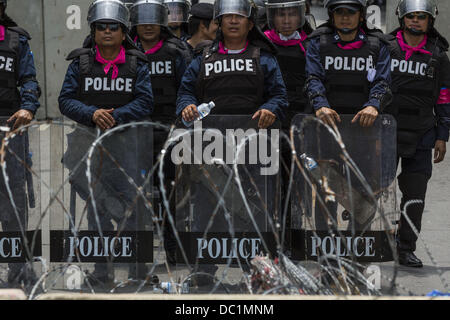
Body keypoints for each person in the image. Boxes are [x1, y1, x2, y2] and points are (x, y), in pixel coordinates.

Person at [58, 0, 153, 285]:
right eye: (102, 27)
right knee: (97, 211)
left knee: (133, 209)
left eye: (114, 27)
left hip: (127, 148)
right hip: (90, 148)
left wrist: (116, 116)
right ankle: (102, 272)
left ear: (124, 33)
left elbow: (146, 101)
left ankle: (137, 271)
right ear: (94, 31)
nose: (108, 31)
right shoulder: (81, 63)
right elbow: (65, 100)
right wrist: (92, 114)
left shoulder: (137, 63)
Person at [304, 0, 392, 232]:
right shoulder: (318, 42)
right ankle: (327, 254)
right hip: (326, 130)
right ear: (332, 16)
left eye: (350, 13)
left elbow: (383, 81)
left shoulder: (377, 44)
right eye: (339, 12)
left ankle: (355, 252)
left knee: (364, 192)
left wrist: (374, 105)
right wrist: (320, 105)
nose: (345, 18)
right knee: (327, 194)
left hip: (363, 130)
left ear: (361, 16)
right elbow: (313, 78)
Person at [384, 0, 450, 268]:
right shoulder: (384, 48)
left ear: (430, 21)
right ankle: (367, 244)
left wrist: (442, 135)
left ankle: (405, 247)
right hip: (385, 133)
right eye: (411, 16)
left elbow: (445, 97)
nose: (415, 21)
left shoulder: (439, 56)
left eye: (421, 17)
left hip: (423, 135)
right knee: (371, 193)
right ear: (401, 18)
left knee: (414, 196)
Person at [130, 0, 191, 266]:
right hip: (130, 130)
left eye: (153, 18)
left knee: (171, 191)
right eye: (142, 19)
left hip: (169, 130)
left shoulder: (176, 51)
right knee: (129, 191)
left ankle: (173, 248)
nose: (147, 24)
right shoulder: (124, 49)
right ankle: (134, 253)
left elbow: (187, 90)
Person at [177, 0, 288, 129]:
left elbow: (279, 95)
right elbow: (186, 91)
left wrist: (270, 109)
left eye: (240, 16)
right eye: (228, 16)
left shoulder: (264, 58)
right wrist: (188, 106)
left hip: (254, 138)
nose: (233, 21)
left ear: (250, 24)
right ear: (220, 22)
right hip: (209, 139)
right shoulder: (203, 57)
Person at [0, 0, 41, 288]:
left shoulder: (17, 40)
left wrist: (28, 108)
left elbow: (28, 80)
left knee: (12, 200)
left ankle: (17, 267)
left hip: (7, 126)